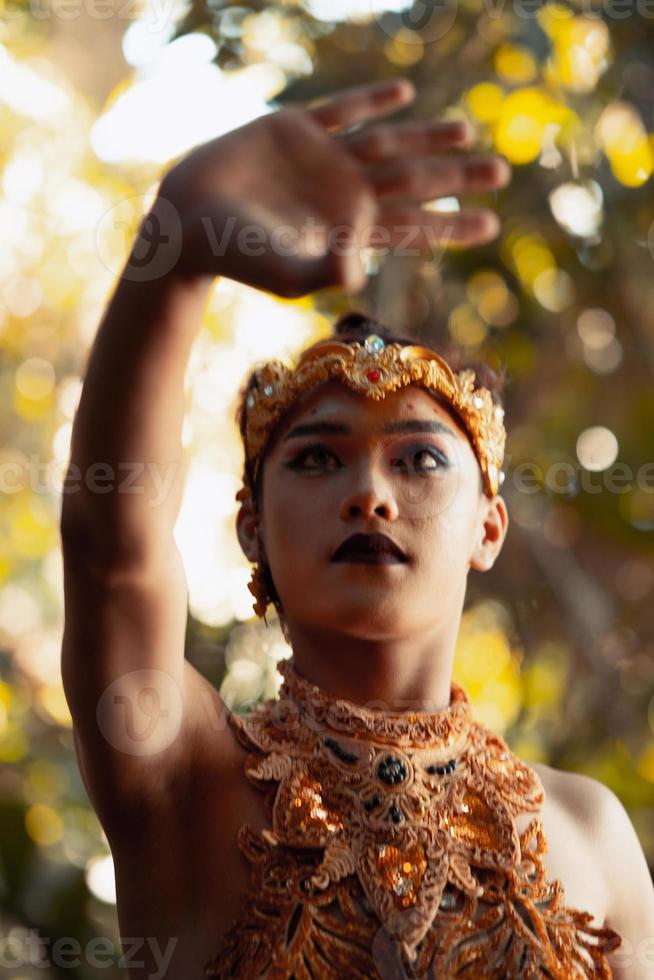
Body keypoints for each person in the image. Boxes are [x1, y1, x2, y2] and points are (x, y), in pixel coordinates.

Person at [58, 78, 654, 979]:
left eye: (418, 460)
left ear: (488, 527)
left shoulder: (590, 833)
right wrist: (174, 249)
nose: (370, 494)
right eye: (315, 459)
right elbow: (112, 553)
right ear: (251, 530)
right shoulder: (186, 777)